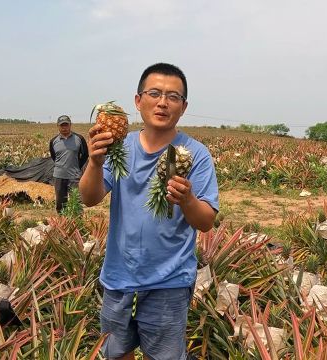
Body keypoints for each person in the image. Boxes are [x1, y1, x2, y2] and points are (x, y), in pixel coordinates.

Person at [79, 63, 219, 360]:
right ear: (138, 100)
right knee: (117, 354)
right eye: (154, 93)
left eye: (173, 96)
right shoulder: (118, 146)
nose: (163, 102)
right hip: (118, 278)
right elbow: (89, 198)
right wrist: (94, 162)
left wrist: (188, 199)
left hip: (168, 283)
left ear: (184, 107)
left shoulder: (195, 154)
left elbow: (206, 221)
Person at [48, 115, 88, 214]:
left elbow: (85, 154)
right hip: (59, 176)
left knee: (76, 202)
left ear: (70, 125)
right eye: (62, 125)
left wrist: (77, 166)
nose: (64, 128)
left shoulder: (79, 138)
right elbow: (54, 157)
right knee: (60, 204)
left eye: (66, 125)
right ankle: (63, 225)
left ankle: (78, 224)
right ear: (58, 126)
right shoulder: (53, 141)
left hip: (74, 176)